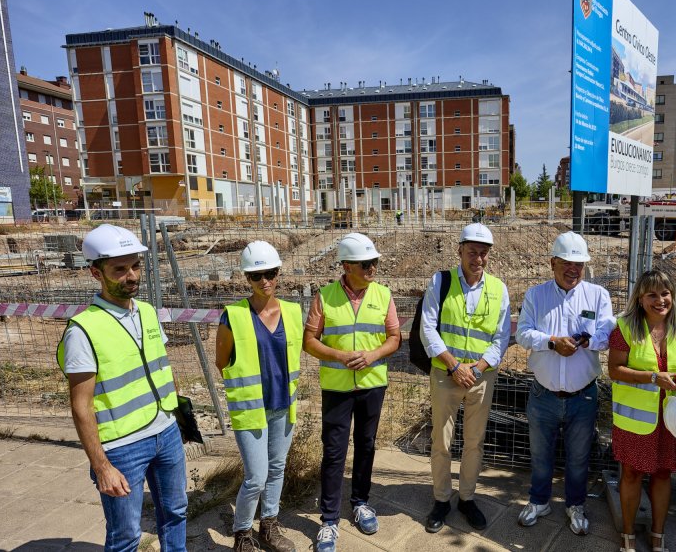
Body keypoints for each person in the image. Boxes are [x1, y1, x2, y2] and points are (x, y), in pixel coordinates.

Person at [57, 224, 187, 552]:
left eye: (135, 266)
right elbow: (81, 406)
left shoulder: (147, 312)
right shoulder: (83, 331)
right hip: (122, 447)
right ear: (95, 273)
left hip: (166, 433)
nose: (131, 276)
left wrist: (175, 419)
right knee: (126, 537)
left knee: (176, 513)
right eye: (119, 269)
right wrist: (102, 466)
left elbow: (156, 370)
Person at [303, 232, 401, 552]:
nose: (373, 267)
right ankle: (329, 520)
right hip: (337, 387)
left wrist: (372, 356)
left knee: (367, 445)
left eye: (374, 262)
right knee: (333, 452)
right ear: (346, 266)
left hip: (372, 384)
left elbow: (394, 338)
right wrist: (341, 356)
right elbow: (310, 341)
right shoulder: (324, 296)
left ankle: (360, 502)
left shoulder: (383, 295)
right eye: (365, 263)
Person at [514, 231, 615, 535]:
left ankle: (575, 505)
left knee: (579, 458)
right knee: (540, 455)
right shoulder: (536, 295)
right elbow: (522, 334)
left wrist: (587, 341)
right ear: (552, 262)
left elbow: (608, 334)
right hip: (543, 393)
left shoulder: (597, 296)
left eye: (579, 265)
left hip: (582, 396)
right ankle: (540, 500)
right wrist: (551, 342)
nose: (573, 270)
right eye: (566, 263)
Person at [419, 223, 511, 533]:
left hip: (480, 378)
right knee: (441, 440)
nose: (478, 259)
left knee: (474, 442)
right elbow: (427, 328)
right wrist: (454, 365)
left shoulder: (499, 289)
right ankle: (442, 499)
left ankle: (467, 498)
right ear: (459, 251)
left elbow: (501, 337)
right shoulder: (440, 282)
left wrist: (479, 367)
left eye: (483, 253)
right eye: (472, 252)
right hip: (447, 374)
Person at [608, 269, 676, 552]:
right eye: (652, 294)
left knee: (664, 475)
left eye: (665, 293)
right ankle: (628, 536)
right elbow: (614, 369)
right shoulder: (626, 327)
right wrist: (653, 378)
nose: (660, 300)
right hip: (636, 420)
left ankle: (658, 535)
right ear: (640, 298)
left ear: (673, 296)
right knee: (631, 475)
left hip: (672, 418)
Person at [215, 241, 301, 552]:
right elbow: (222, 361)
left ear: (279, 273)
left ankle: (269, 526)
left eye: (270, 273)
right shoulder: (234, 316)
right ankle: (242, 535)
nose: (264, 281)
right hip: (251, 410)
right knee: (256, 477)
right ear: (247, 278)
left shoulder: (292, 312)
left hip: (283, 407)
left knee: (277, 469)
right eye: (256, 276)